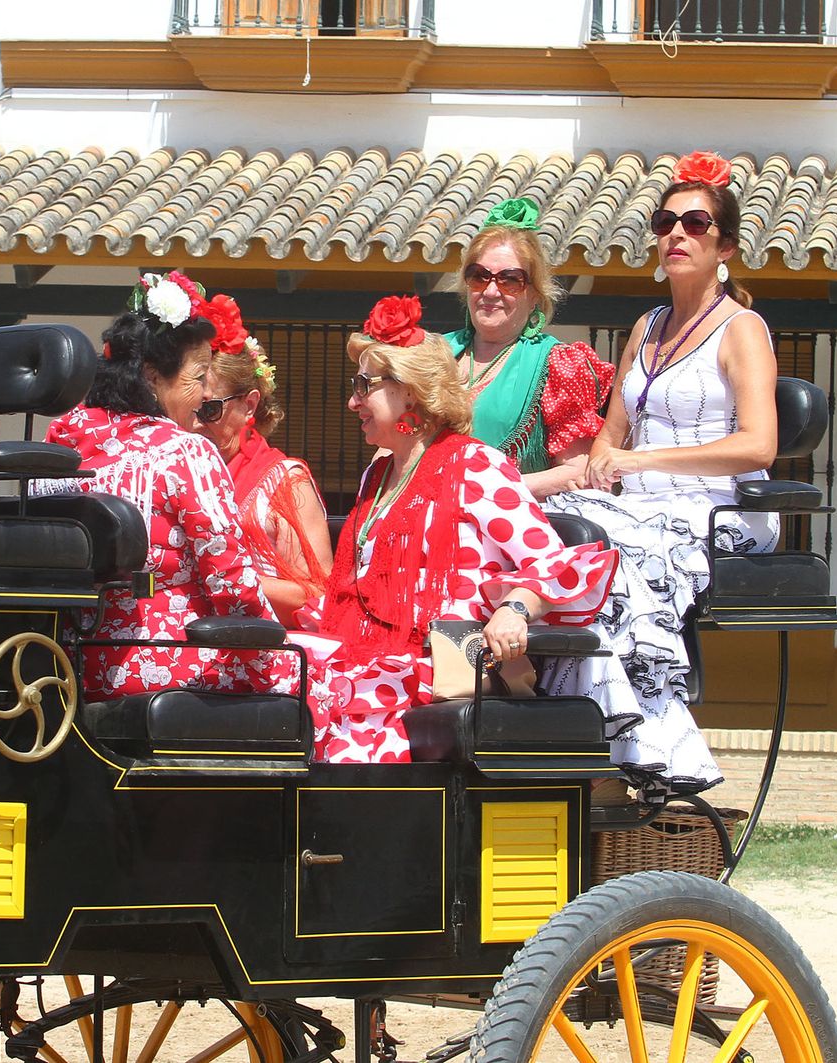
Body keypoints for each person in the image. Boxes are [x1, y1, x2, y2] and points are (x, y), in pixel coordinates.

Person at [544, 150, 780, 795]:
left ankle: (658, 734)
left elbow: (759, 446)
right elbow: (606, 444)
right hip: (640, 505)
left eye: (696, 224)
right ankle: (577, 718)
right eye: (665, 221)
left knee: (612, 544)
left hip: (719, 512)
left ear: (725, 245)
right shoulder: (646, 328)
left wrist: (634, 464)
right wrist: (514, 487)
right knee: (546, 532)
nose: (677, 234)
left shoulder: (743, 329)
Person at [296, 295, 618, 764]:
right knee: (270, 677)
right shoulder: (378, 473)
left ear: (409, 390)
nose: (353, 400)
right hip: (364, 654)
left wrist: (515, 610)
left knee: (324, 699)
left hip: (433, 666)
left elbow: (551, 562)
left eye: (364, 384)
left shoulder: (474, 464)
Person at [39, 271, 292, 699]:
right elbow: (231, 583)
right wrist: (277, 662)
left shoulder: (61, 437)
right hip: (168, 658)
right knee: (330, 683)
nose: (204, 394)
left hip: (68, 659)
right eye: (198, 377)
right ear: (153, 377)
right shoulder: (183, 451)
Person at [446, 197, 614, 500]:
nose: (491, 291)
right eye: (479, 277)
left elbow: (576, 470)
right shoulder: (433, 354)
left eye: (510, 280)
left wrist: (486, 492)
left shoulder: (558, 365)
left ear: (535, 294)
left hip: (505, 527)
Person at [192, 293, 333, 625]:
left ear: (250, 405)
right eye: (190, 407)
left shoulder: (284, 481)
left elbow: (315, 595)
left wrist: (224, 579)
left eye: (210, 408)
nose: (196, 422)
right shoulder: (175, 470)